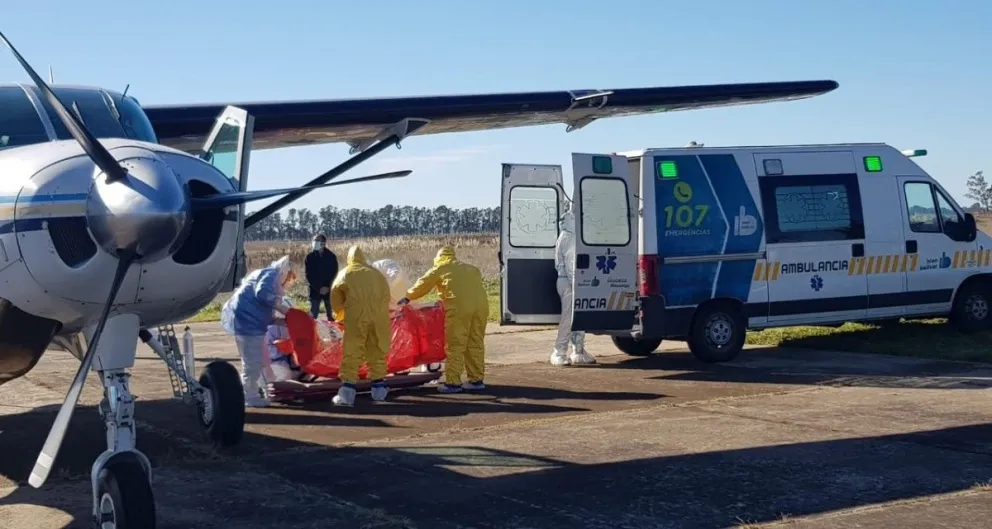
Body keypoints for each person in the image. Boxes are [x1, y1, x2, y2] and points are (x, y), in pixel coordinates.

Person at [398, 246, 489, 393]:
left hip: (459, 308)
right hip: (481, 306)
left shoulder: (440, 268)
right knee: (475, 342)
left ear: (439, 257)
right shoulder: (472, 269)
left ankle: (453, 383)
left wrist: (408, 297)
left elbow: (423, 284)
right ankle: (476, 380)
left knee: (456, 344)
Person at [220, 256, 297, 407]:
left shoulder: (266, 275)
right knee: (252, 363)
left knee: (258, 361)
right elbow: (262, 295)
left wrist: (281, 321)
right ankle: (250, 396)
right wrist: (282, 309)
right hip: (248, 325)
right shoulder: (270, 275)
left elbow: (261, 311)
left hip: (248, 323)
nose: (286, 283)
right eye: (288, 278)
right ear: (285, 273)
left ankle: (256, 392)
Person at [329, 246, 392, 406]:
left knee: (353, 352)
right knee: (376, 351)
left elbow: (335, 298)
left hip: (356, 318)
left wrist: (340, 316)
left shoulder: (345, 273)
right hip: (378, 318)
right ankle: (379, 391)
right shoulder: (377, 274)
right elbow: (387, 296)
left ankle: (347, 393)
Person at [551, 208, 597, 367]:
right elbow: (572, 264)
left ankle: (578, 350)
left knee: (575, 316)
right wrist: (578, 284)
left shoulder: (564, 236)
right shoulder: (570, 238)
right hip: (570, 282)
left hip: (567, 281)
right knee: (568, 317)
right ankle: (560, 351)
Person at [305, 234, 339, 321]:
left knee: (331, 316)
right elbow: (308, 274)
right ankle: (312, 333)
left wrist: (327, 287)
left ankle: (333, 333)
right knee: (313, 315)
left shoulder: (331, 257)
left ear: (323, 243)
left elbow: (335, 273)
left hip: (328, 290)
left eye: (317, 241)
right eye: (314, 241)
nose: (314, 243)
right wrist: (319, 288)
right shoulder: (310, 257)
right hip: (314, 290)